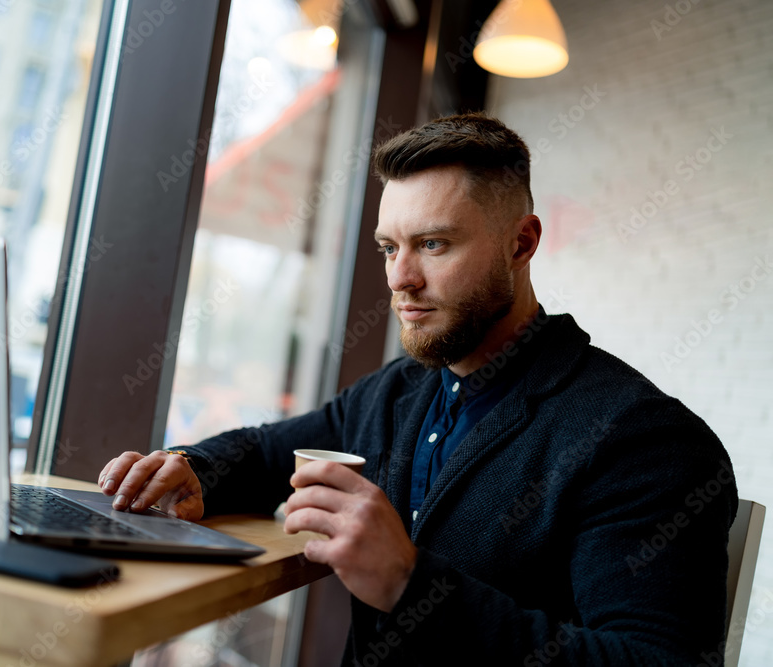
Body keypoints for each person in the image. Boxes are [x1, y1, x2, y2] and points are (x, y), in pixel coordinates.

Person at [97, 113, 738, 665]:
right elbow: (271, 453)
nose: (400, 279)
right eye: (387, 247)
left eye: (433, 244)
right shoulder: (403, 392)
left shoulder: (645, 441)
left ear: (522, 243)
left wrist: (407, 582)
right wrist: (191, 470)